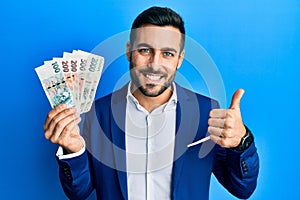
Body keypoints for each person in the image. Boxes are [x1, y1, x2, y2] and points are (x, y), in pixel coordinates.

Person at [43, 6, 259, 200]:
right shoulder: (97, 114)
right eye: (145, 50)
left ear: (180, 59)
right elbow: (78, 192)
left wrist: (242, 141)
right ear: (129, 51)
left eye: (167, 53)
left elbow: (242, 189)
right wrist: (73, 150)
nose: (155, 65)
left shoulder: (207, 112)